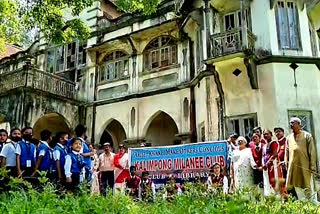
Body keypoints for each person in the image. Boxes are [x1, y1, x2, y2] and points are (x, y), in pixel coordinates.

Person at [285, 117, 317, 203]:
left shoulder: (307, 136)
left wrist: (312, 166)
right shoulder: (288, 138)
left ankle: (312, 204)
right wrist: (286, 163)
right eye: (290, 123)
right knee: (296, 186)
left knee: (307, 186)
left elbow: (312, 152)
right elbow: (286, 151)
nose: (291, 125)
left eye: (293, 123)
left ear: (299, 124)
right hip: (293, 167)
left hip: (305, 166)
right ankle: (302, 205)